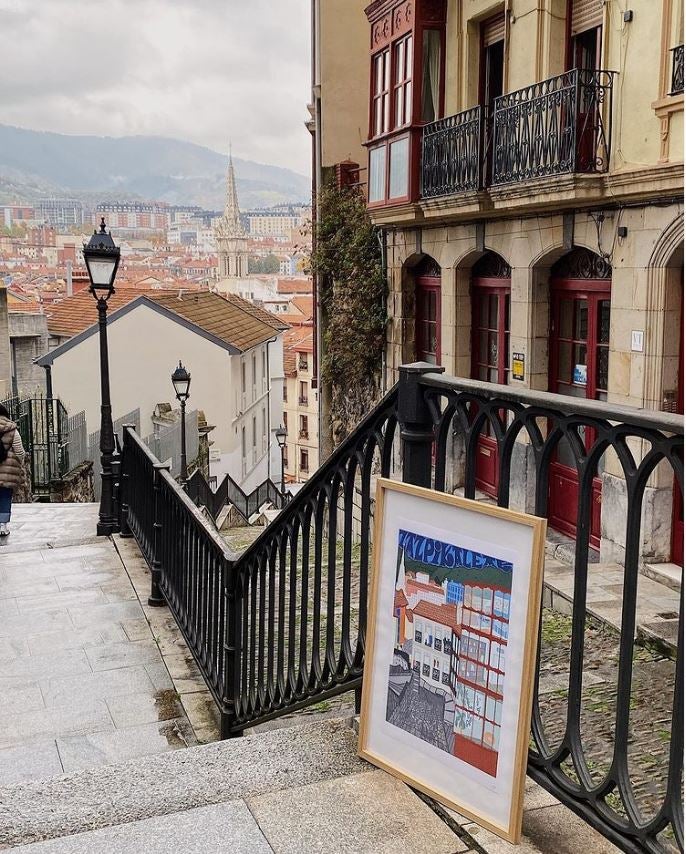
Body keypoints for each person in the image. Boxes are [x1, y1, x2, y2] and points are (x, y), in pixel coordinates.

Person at [0, 403, 25, 536]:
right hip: (7, 472)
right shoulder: (12, 429)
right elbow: (19, 451)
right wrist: (19, 462)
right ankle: (2, 525)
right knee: (4, 496)